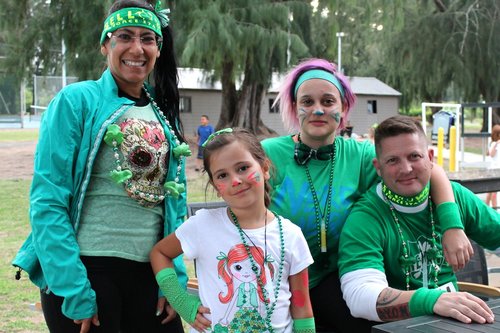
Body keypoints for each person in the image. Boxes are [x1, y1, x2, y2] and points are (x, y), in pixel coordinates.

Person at [11, 1, 191, 332]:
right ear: (105, 45)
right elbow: (48, 200)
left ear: (158, 49)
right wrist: (73, 286)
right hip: (87, 272)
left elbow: (175, 205)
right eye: (125, 36)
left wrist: (172, 280)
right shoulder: (76, 101)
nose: (137, 48)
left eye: (147, 39)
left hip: (150, 274)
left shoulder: (165, 114)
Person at [261, 58, 472, 332]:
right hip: (274, 285)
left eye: (327, 101)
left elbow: (427, 170)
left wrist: (452, 225)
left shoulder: (359, 155)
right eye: (307, 102)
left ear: (343, 107)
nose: (317, 110)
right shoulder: (268, 154)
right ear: (294, 106)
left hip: (331, 284)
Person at [338, 115, 500, 328]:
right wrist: (432, 301)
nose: (406, 169)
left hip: (460, 323)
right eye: (393, 160)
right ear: (378, 167)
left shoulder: (457, 197)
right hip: (400, 327)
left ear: (430, 156)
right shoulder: (366, 217)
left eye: (414, 156)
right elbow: (359, 296)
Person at [150, 128, 316, 333]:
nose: (235, 181)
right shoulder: (202, 225)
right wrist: (182, 303)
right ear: (215, 185)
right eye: (222, 175)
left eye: (243, 168)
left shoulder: (291, 235)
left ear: (265, 168)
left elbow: (301, 308)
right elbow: (160, 253)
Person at [485, 124, 500, 207]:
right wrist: (496, 144)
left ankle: (489, 208)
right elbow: (491, 154)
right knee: (493, 192)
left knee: (492, 192)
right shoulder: (494, 143)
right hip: (494, 170)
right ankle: (494, 209)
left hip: (496, 169)